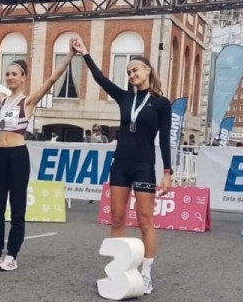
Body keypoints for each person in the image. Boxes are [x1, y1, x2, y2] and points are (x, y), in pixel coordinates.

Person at [0, 42, 73, 271]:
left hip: (18, 156)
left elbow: (50, 81)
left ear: (23, 78)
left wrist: (69, 56)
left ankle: (12, 254)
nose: (9, 77)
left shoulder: (27, 102)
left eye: (14, 74)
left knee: (17, 209)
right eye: (7, 74)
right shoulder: (1, 98)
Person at [71, 37, 172, 295]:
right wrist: (85, 54)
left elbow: (165, 139)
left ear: (148, 70)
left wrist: (167, 172)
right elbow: (101, 79)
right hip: (121, 164)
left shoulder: (161, 103)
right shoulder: (124, 97)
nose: (131, 75)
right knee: (116, 218)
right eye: (128, 72)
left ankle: (146, 275)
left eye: (135, 70)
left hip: (144, 166)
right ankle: (119, 271)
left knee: (145, 221)